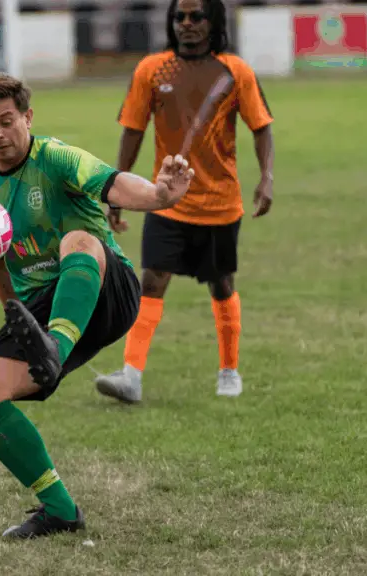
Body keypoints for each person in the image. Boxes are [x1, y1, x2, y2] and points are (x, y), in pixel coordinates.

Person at [0, 73, 194, 539]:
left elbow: (114, 185)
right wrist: (16, 316)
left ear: (27, 116)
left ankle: (55, 349)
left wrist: (161, 195)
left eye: (7, 121)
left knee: (78, 238)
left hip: (106, 285)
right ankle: (59, 510)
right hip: (42, 311)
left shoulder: (56, 158)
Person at [95, 0, 275, 403]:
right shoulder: (151, 70)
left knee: (220, 283)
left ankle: (229, 370)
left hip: (220, 204)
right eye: (180, 16)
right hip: (167, 200)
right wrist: (116, 190)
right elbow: (133, 132)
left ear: (213, 22)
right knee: (152, 280)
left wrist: (266, 177)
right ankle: (131, 376)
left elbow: (261, 128)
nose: (188, 24)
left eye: (197, 16)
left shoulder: (235, 71)